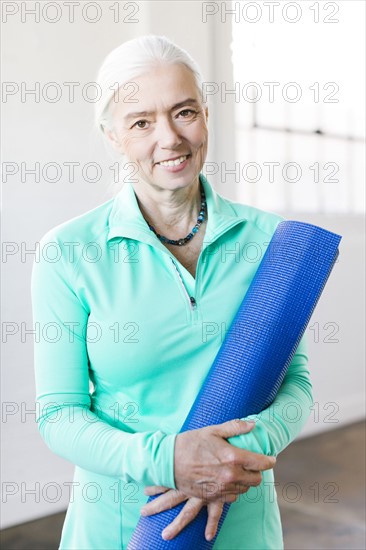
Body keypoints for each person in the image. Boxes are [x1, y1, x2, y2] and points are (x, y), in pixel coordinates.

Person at [31, 35, 313, 549]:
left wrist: (234, 456)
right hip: (122, 527)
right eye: (141, 121)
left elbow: (296, 382)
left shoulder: (272, 243)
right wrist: (172, 461)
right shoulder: (68, 252)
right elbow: (60, 415)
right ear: (113, 135)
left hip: (239, 521)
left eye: (184, 112)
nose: (170, 139)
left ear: (206, 114)